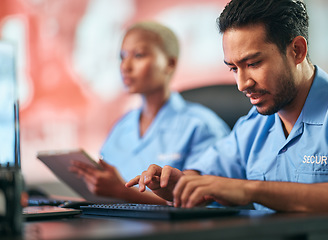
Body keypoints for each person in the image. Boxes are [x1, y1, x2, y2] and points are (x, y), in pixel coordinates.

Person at [126, 0, 328, 212]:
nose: (242, 84)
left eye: (253, 63)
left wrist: (250, 189)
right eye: (233, 68)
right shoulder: (252, 127)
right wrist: (179, 184)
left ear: (297, 50)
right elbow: (206, 178)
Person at [70, 21, 230, 204]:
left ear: (169, 63)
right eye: (122, 57)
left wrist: (120, 191)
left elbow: (206, 203)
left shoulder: (202, 126)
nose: (125, 66)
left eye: (138, 55)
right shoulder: (121, 127)